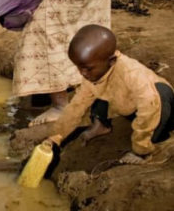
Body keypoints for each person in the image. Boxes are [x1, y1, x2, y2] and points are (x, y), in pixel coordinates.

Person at [44, 24, 173, 165]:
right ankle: (101, 125)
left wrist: (140, 147)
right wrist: (56, 136)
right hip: (129, 105)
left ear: (111, 61)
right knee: (93, 90)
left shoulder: (132, 74)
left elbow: (150, 109)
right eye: (79, 67)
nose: (82, 73)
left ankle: (148, 150)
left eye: (87, 68)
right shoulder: (94, 72)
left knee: (161, 96)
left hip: (158, 108)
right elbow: (76, 106)